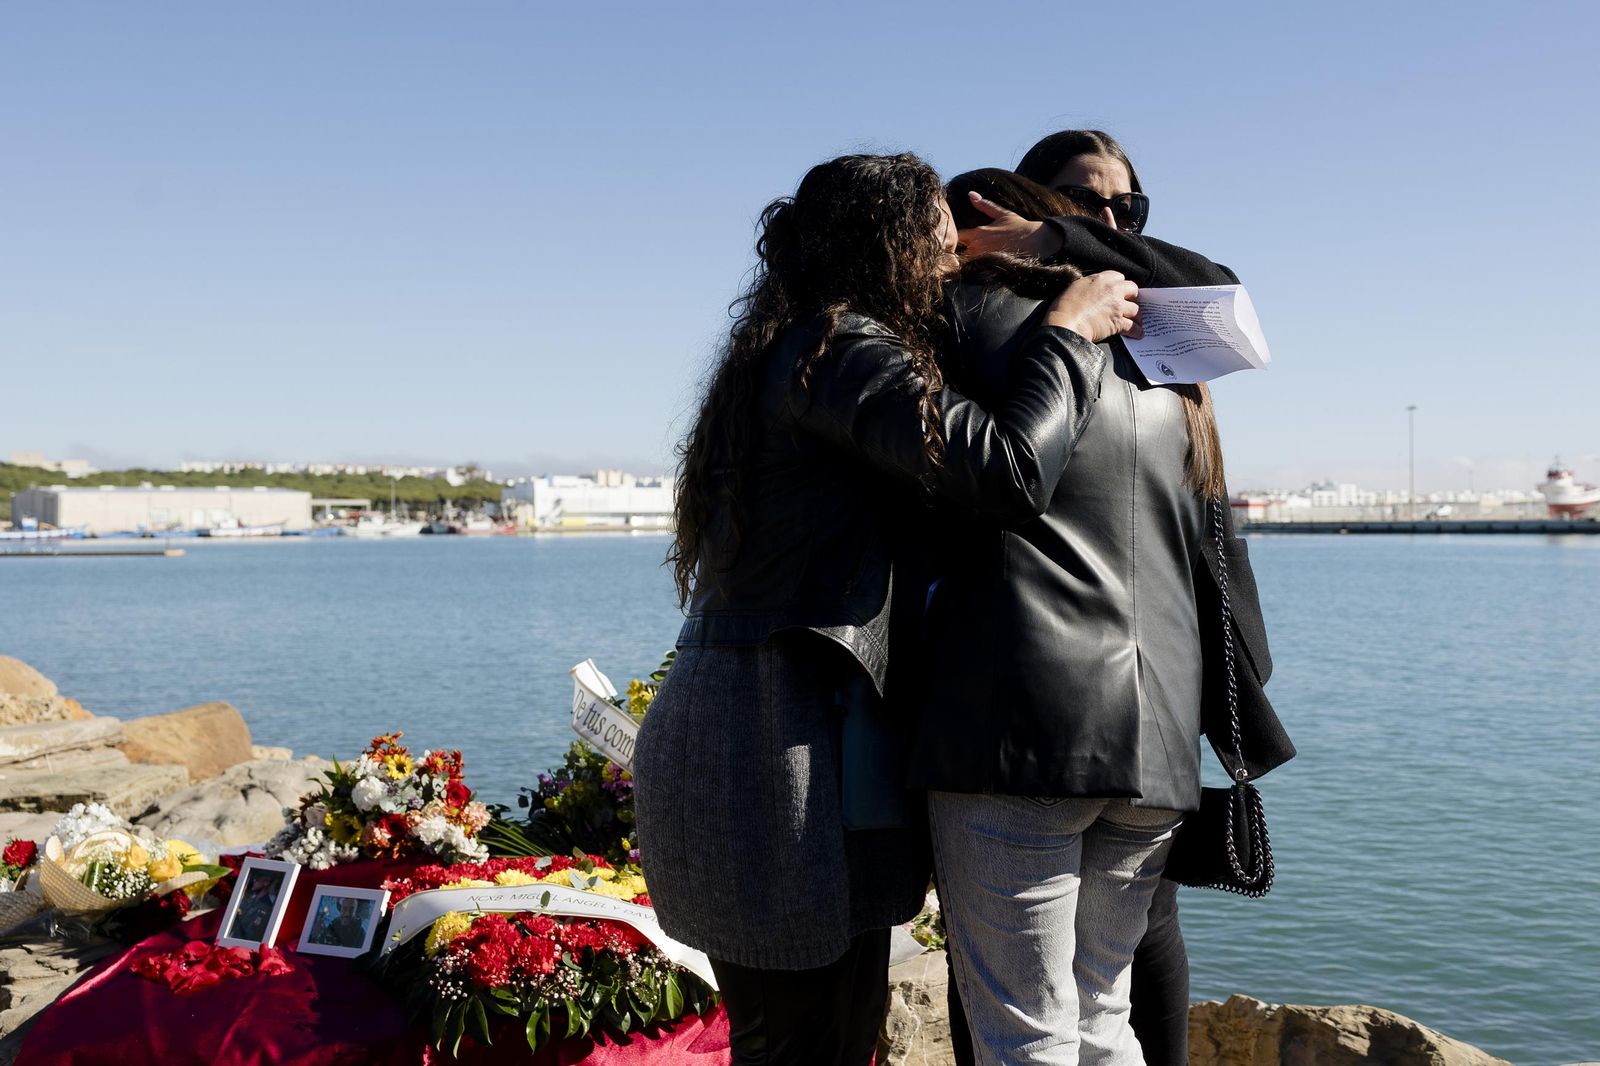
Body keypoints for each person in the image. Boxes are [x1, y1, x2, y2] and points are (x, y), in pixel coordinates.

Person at [633, 152, 1141, 1066]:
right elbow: (1005, 469)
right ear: (888, 248)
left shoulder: (797, 344)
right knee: (804, 1043)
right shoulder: (841, 347)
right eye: (938, 247)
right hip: (774, 746)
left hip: (769, 729)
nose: (952, 267)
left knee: (814, 1037)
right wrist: (1066, 331)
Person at [917, 141, 1294, 1066]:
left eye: (1130, 210)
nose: (1114, 224)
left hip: (1018, 731)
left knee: (1028, 1030)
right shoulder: (1165, 364)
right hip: (1155, 737)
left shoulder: (963, 324)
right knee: (1098, 1016)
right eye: (1090, 205)